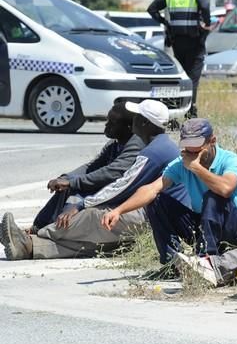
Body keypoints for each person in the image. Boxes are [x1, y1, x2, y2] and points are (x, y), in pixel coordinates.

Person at [1, 100, 183, 260]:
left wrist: (82, 206)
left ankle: (36, 234)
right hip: (154, 216)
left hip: (152, 218)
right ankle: (30, 246)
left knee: (94, 217)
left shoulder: (152, 152)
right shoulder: (156, 145)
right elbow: (95, 167)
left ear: (143, 123)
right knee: (93, 244)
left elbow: (122, 184)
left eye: (136, 117)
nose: (133, 119)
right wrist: (69, 180)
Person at [101, 118, 237, 272]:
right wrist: (119, 210)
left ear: (212, 141)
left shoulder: (230, 160)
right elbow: (151, 189)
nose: (192, 154)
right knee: (157, 200)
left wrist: (196, 168)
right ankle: (172, 263)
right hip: (204, 226)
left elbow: (226, 188)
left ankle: (207, 259)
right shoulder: (182, 163)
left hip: (234, 228)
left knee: (213, 196)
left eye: (197, 149)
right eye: (188, 148)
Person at [28, 103, 143, 234]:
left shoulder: (135, 144)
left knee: (74, 192)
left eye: (112, 122)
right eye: (107, 120)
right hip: (109, 188)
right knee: (65, 186)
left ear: (129, 127)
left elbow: (111, 173)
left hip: (121, 194)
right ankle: (38, 227)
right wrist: (65, 178)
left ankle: (51, 232)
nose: (106, 125)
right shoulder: (115, 143)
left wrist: (72, 182)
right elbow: (92, 166)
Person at [147, 0, 212, 118]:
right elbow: (204, 6)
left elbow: (152, 9)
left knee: (180, 78)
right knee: (193, 78)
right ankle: (190, 113)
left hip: (177, 42)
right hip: (195, 42)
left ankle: (174, 112)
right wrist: (207, 23)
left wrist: (166, 23)